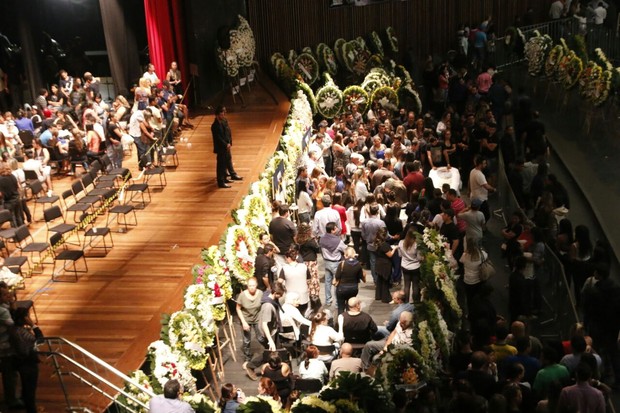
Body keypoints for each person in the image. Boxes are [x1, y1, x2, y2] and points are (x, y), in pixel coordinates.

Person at [243, 283, 286, 380]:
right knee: (271, 353)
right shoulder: (268, 306)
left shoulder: (269, 296)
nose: (281, 296)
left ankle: (272, 370)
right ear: (274, 293)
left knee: (273, 352)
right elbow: (264, 324)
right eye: (280, 294)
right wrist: (270, 340)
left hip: (272, 331)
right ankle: (251, 366)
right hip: (266, 334)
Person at [11, 307, 43, 413]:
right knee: (30, 389)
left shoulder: (14, 329)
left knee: (26, 388)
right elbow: (40, 340)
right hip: (27, 362)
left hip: (21, 361)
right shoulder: (21, 332)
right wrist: (33, 325)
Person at [211, 106, 242, 188]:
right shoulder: (214, 126)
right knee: (221, 164)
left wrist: (230, 142)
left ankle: (226, 177)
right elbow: (218, 138)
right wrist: (225, 144)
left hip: (227, 145)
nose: (223, 116)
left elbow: (228, 132)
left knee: (228, 160)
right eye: (221, 114)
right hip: (221, 147)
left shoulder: (224, 121)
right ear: (217, 115)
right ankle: (220, 182)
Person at [236, 277, 264, 363]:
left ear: (256, 285)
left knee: (261, 337)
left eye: (253, 285)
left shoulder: (260, 293)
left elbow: (263, 305)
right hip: (246, 318)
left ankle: (268, 352)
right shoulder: (242, 295)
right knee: (246, 340)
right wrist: (244, 322)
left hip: (257, 318)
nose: (252, 287)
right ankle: (247, 358)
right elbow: (238, 308)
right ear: (247, 286)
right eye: (250, 285)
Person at [319, 221, 347, 307]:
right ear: (332, 230)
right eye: (336, 228)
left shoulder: (322, 239)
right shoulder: (338, 241)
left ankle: (328, 300)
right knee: (337, 283)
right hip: (336, 263)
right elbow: (345, 249)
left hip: (327, 262)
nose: (338, 229)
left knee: (327, 282)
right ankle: (338, 303)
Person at [278, 246, 310, 314]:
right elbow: (308, 280)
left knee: (292, 315)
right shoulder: (304, 266)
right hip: (303, 295)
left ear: (288, 258)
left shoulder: (285, 268)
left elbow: (280, 281)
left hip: (291, 296)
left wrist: (284, 288)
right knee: (303, 313)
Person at [334, 247, 364, 315]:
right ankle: (349, 320)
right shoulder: (358, 264)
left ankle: (341, 322)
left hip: (342, 288)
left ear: (346, 255)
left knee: (341, 307)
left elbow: (337, 276)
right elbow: (360, 276)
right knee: (350, 306)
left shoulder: (342, 264)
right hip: (353, 288)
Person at [398, 227, 421, 303]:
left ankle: (406, 302)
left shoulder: (401, 243)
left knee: (406, 285)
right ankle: (416, 302)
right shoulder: (416, 244)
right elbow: (419, 257)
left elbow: (400, 255)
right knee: (415, 285)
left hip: (405, 266)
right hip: (415, 267)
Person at [374, 227, 395, 303]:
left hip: (378, 263)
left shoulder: (376, 242)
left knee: (380, 280)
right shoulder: (384, 244)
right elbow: (390, 255)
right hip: (385, 265)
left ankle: (379, 295)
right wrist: (395, 248)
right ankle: (386, 298)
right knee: (385, 281)